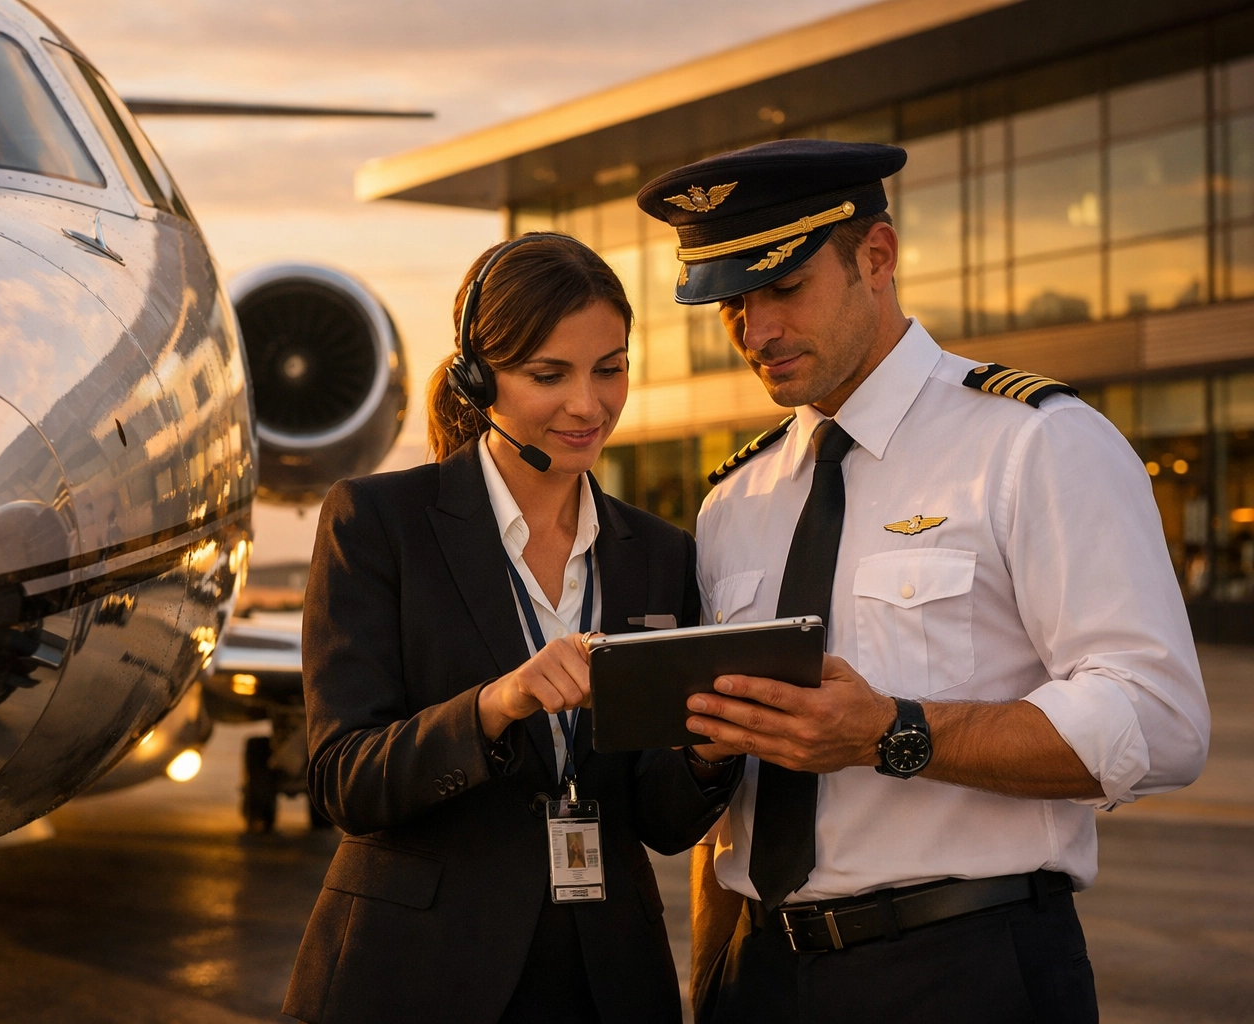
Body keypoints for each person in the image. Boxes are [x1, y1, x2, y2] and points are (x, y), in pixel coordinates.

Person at [633, 139, 1210, 1023]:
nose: (757, 332)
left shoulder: (1033, 443)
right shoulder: (732, 501)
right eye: (730, 305)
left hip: (958, 967)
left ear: (877, 257)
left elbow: (1160, 722)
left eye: (783, 288)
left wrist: (890, 733)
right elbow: (731, 818)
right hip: (753, 974)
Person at [283, 233, 740, 1024]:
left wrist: (707, 754)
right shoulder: (377, 522)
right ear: (476, 376)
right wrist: (496, 704)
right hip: (416, 975)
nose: (588, 405)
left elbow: (661, 821)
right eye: (548, 375)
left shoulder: (661, 555)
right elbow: (345, 780)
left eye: (610, 368)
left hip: (606, 981)